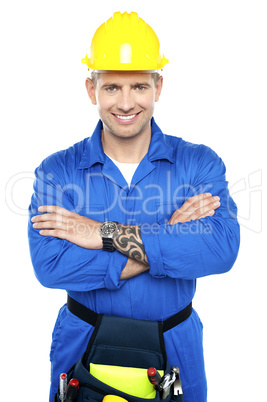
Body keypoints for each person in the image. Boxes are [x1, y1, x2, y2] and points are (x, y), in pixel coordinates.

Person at [28, 11, 240, 402]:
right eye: (112, 88)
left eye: (139, 85)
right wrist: (170, 236)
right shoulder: (56, 172)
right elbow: (50, 264)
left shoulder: (199, 164)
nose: (126, 103)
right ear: (92, 90)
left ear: (158, 87)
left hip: (175, 346)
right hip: (83, 342)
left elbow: (220, 249)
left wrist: (100, 233)